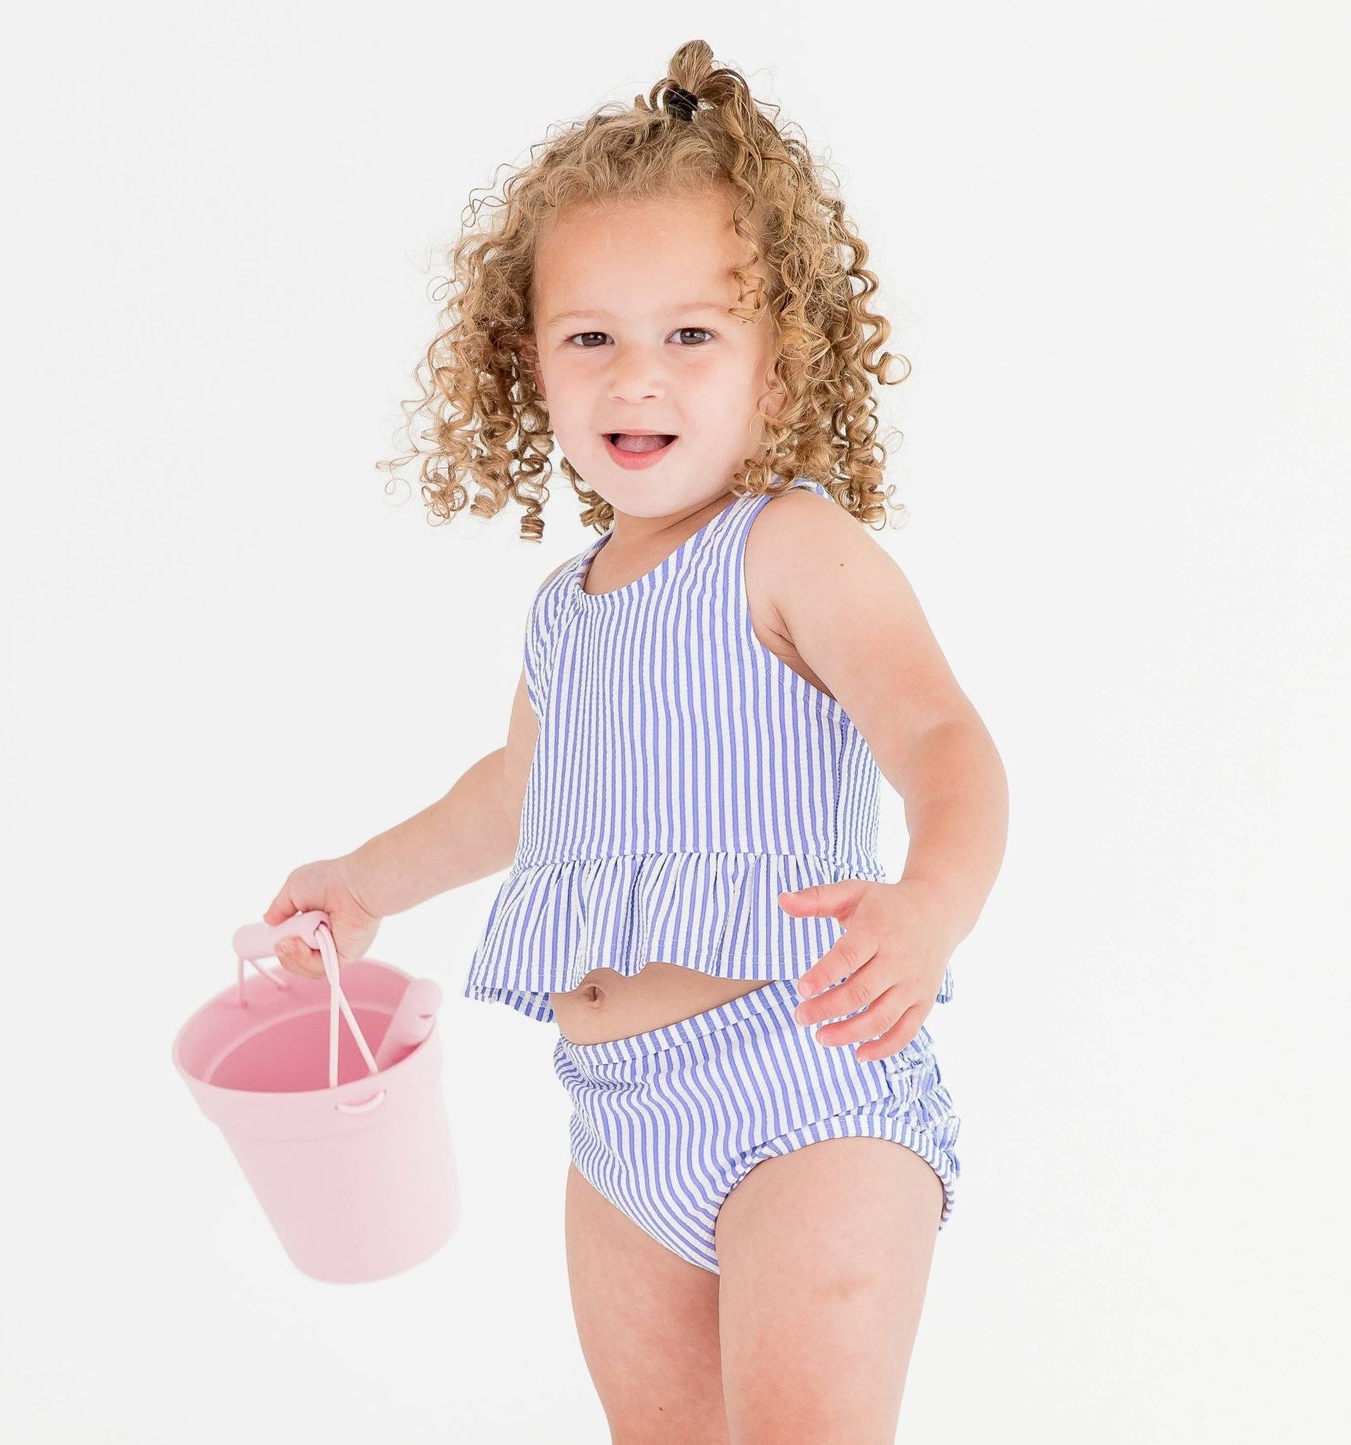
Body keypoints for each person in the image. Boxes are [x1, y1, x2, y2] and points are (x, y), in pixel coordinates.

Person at [263, 38, 1008, 1445]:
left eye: (690, 336)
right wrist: (362, 881)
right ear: (526, 364)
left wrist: (930, 903)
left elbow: (942, 737)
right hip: (614, 1122)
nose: (634, 377)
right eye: (588, 337)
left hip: (807, 1082)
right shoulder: (566, 607)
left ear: (777, 366)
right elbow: (520, 793)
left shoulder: (789, 548)